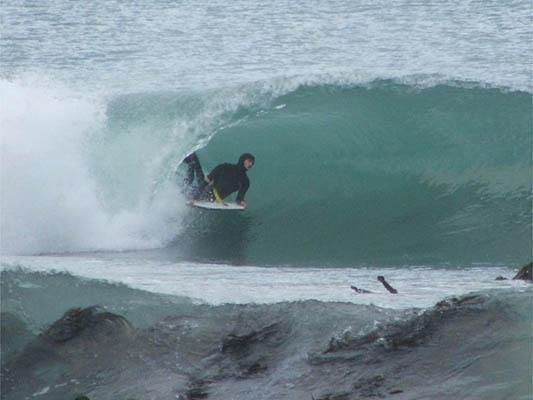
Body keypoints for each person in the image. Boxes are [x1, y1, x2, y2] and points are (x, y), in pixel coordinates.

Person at [182, 152, 255, 208]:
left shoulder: (245, 182)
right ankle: (190, 158)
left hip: (212, 199)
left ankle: (192, 159)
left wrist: (241, 202)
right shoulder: (224, 167)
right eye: (249, 161)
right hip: (203, 191)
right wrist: (195, 197)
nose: (251, 164)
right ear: (242, 160)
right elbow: (206, 181)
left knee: (197, 172)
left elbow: (239, 198)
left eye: (252, 162)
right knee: (187, 187)